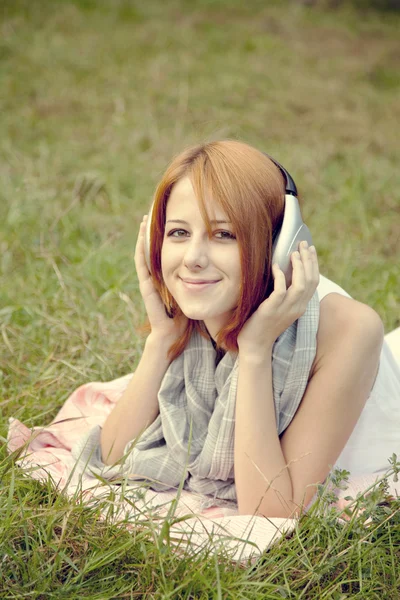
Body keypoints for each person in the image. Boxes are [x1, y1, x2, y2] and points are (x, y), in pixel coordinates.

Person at [87, 140, 399, 519]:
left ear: (280, 246)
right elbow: (112, 454)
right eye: (179, 233)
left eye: (224, 235)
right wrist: (161, 339)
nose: (193, 260)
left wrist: (254, 351)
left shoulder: (351, 330)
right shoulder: (201, 306)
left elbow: (271, 512)